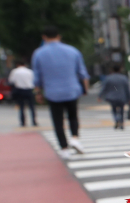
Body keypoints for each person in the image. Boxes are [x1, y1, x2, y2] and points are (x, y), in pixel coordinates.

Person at [32, 25, 89, 156]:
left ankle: (64, 148)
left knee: (58, 121)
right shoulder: (73, 51)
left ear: (44, 37)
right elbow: (82, 73)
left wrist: (38, 93)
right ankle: (75, 138)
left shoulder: (38, 53)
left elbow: (37, 76)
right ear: (59, 36)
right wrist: (85, 88)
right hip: (72, 90)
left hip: (52, 93)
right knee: (73, 116)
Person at [98, 63, 130, 130]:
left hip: (112, 97)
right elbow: (127, 89)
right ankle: (122, 123)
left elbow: (104, 88)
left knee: (114, 110)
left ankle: (116, 119)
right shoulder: (124, 78)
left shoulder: (108, 78)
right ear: (120, 70)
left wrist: (100, 96)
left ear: (112, 70)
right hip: (122, 97)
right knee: (122, 110)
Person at [7, 58, 38, 127]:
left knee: (21, 107)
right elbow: (34, 81)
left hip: (20, 90)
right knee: (32, 107)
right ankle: (34, 121)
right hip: (29, 90)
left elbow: (11, 81)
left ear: (17, 65)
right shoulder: (30, 71)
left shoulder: (15, 71)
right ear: (25, 65)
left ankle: (23, 122)